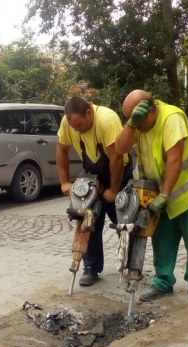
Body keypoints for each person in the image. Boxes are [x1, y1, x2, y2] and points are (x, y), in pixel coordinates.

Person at [114, 89, 188, 303]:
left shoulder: (171, 118)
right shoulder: (138, 124)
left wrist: (165, 194)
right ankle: (163, 282)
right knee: (161, 241)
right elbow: (119, 148)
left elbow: (174, 160)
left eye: (135, 119)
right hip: (158, 195)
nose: (135, 124)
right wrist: (131, 124)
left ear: (150, 110)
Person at [56, 97, 133, 286]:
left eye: (79, 125)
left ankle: (130, 266)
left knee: (125, 224)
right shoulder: (68, 122)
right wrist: (64, 182)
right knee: (87, 220)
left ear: (89, 113)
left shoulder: (106, 120)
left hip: (118, 175)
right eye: (73, 127)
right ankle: (90, 267)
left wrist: (113, 191)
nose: (76, 130)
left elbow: (116, 159)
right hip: (92, 175)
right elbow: (61, 150)